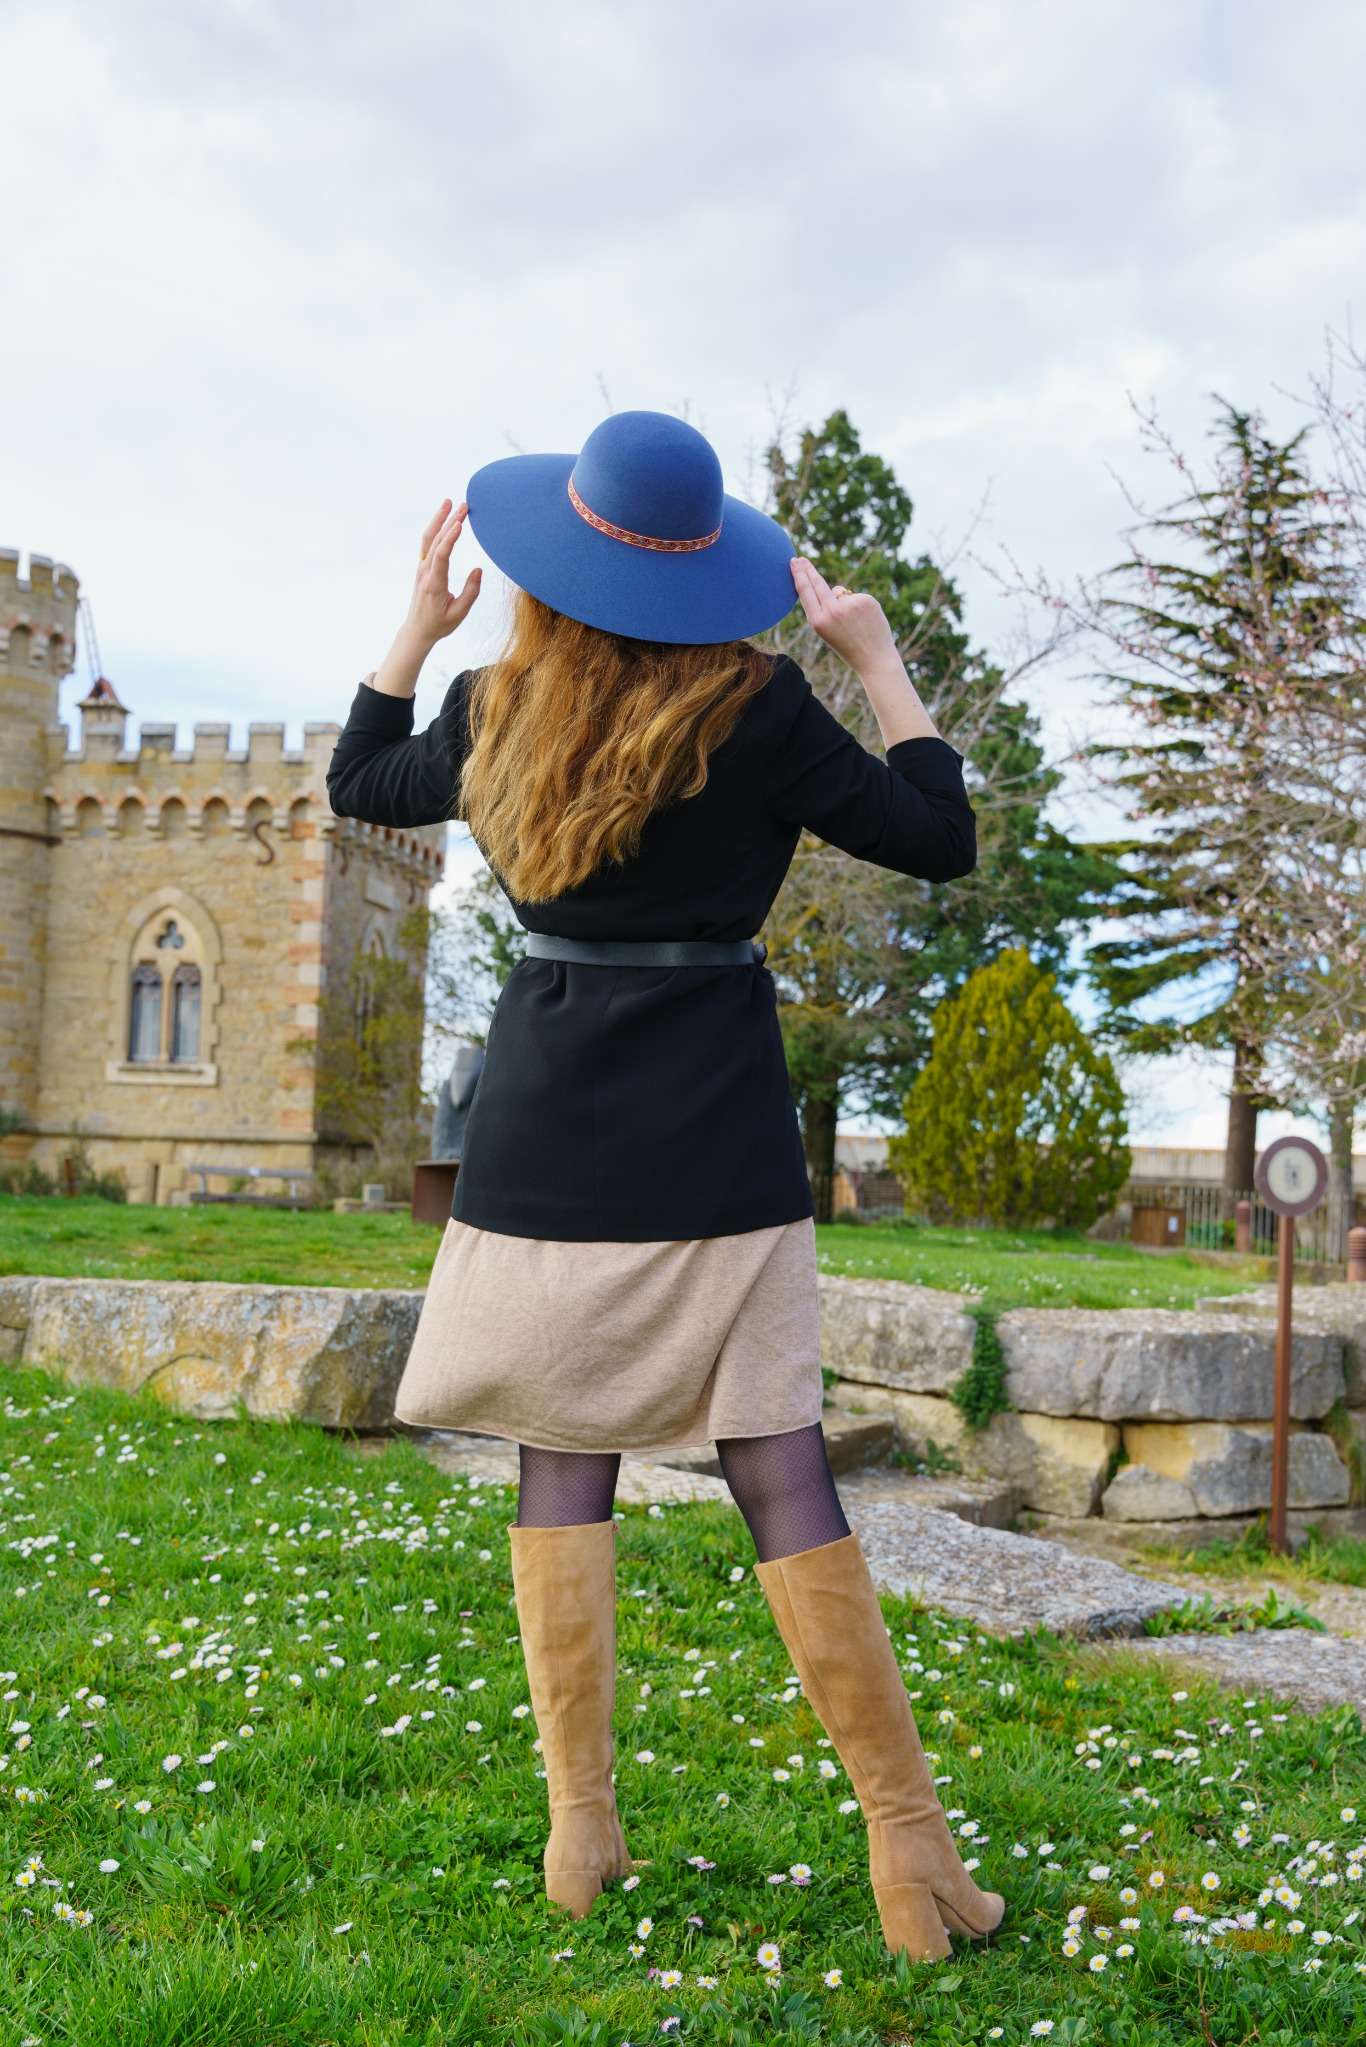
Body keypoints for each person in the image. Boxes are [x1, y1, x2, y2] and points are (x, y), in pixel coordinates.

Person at [326, 409, 1004, 1963]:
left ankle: (583, 1838)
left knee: (560, 1461)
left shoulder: (496, 702)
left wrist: (416, 630)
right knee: (780, 1469)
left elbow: (358, 781)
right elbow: (939, 836)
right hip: (718, 1143)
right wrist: (874, 653)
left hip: (542, 1148)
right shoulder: (756, 708)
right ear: (709, 577)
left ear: (552, 561)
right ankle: (910, 1867)